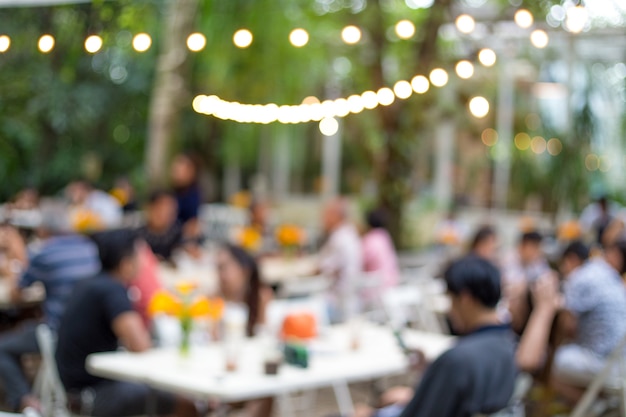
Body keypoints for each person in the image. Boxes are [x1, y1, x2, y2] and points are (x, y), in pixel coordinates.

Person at [55, 229, 197, 417]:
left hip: (73, 391)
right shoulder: (112, 290)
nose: (145, 261)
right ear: (126, 264)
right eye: (141, 255)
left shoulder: (89, 283)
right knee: (185, 405)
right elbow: (140, 345)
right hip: (93, 396)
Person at [354, 256, 517, 417]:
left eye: (451, 299)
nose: (450, 310)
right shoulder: (509, 345)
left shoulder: (458, 359)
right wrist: (431, 371)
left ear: (465, 299)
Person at [0, 204, 100, 412]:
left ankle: (26, 401)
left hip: (58, 334)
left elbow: (16, 292)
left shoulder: (45, 253)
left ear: (43, 230)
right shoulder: (89, 247)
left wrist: (14, 250)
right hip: (92, 333)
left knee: (2, 346)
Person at [552, 241, 626, 403]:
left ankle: (595, 409)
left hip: (606, 365)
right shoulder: (610, 276)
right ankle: (602, 407)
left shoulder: (581, 276)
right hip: (621, 363)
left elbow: (567, 326)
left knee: (556, 362)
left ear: (571, 259)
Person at [319, 198, 363, 322]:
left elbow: (322, 268)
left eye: (325, 214)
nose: (323, 219)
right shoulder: (350, 233)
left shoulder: (339, 238)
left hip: (337, 304)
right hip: (351, 300)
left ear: (335, 216)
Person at [216, 244, 273, 338]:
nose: (220, 275)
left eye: (224, 268)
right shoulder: (216, 301)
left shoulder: (261, 297)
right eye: (218, 269)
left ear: (245, 270)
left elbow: (265, 337)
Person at [502, 231, 553, 334]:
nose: (537, 252)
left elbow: (548, 278)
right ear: (524, 245)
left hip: (528, 304)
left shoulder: (537, 261)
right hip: (507, 305)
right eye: (535, 248)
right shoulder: (509, 258)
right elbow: (512, 288)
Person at [136, 190, 183, 261]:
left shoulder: (177, 233)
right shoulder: (139, 236)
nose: (164, 213)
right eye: (160, 209)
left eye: (170, 211)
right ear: (149, 208)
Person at [361, 209, 399, 292]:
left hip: (377, 287)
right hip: (392, 283)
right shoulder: (384, 236)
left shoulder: (370, 239)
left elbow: (362, 260)